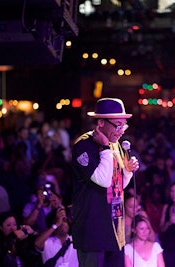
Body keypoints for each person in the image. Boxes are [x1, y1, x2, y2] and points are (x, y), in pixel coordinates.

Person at [71, 98, 139, 267]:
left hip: (114, 229)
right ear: (101, 122)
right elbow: (103, 180)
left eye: (123, 125)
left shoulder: (116, 145)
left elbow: (117, 186)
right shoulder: (84, 145)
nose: (121, 131)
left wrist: (128, 172)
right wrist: (106, 149)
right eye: (117, 125)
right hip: (93, 230)